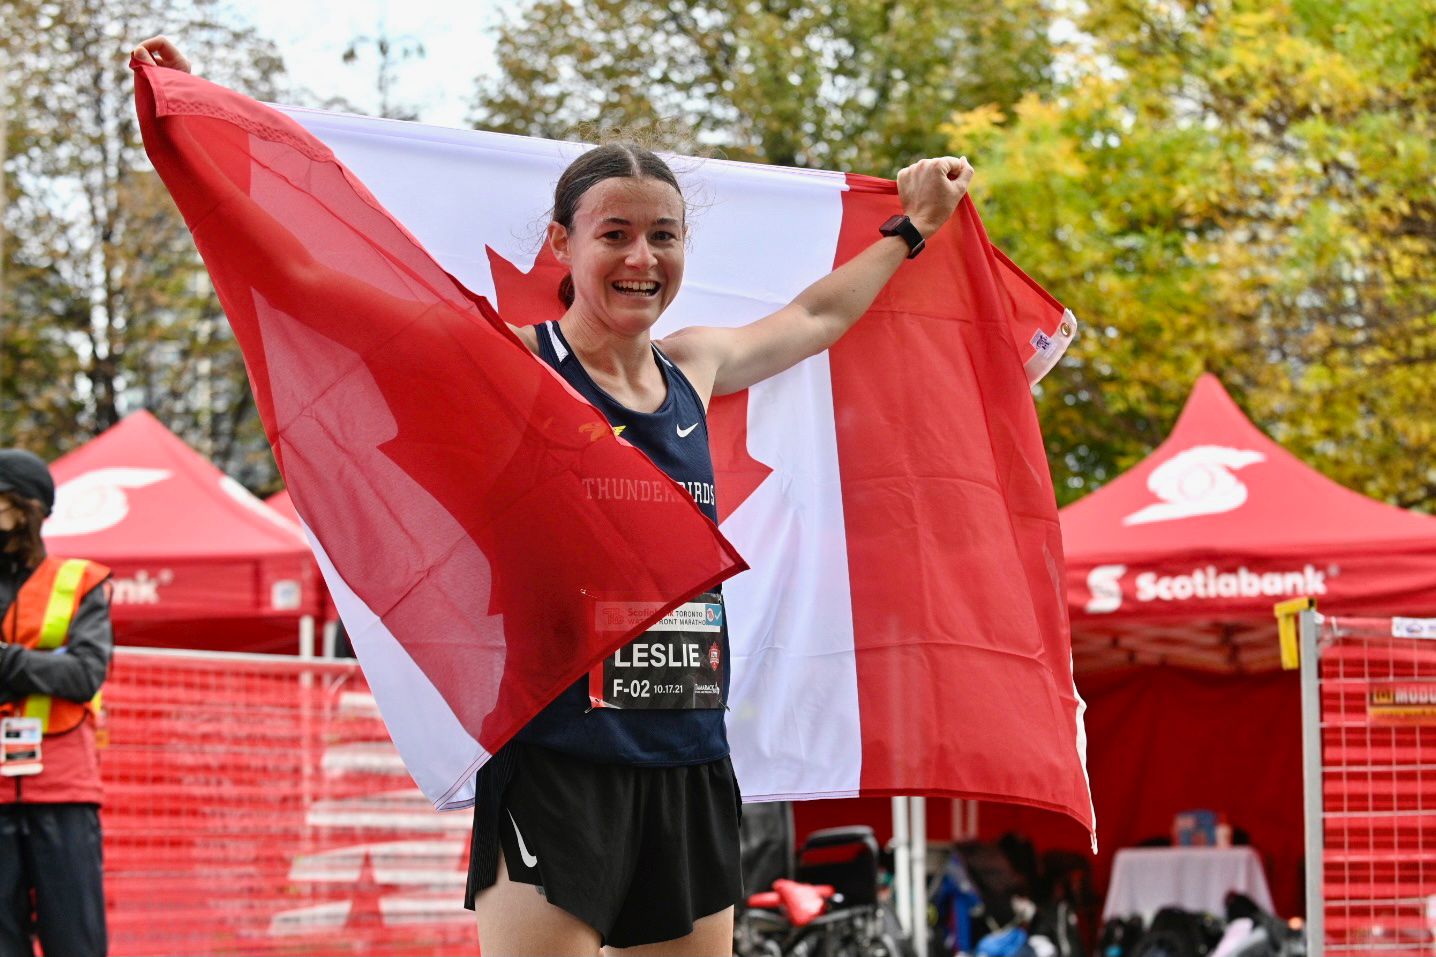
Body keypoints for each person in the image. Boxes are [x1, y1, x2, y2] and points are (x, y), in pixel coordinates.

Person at [131, 35, 974, 956]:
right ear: (562, 244)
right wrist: (188, 138)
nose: (641, 257)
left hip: (688, 757)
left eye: (663, 235)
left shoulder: (699, 364)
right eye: (614, 233)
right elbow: (305, 281)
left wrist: (914, 227)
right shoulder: (514, 366)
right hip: (557, 759)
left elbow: (816, 317)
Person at [0, 450, 113, 957]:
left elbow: (84, 673)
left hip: (63, 789)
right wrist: (39, 666)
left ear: (24, 508)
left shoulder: (78, 582)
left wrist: (4, 663)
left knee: (75, 942)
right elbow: (63, 670)